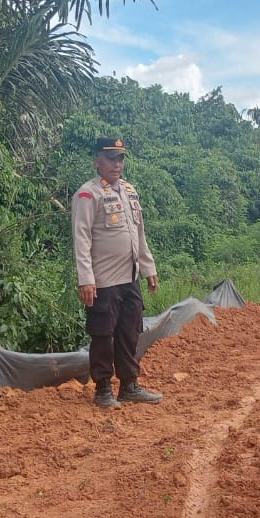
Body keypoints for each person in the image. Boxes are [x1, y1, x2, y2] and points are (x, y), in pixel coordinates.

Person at [72, 137, 162, 408]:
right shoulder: (87, 194)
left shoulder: (129, 191)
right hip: (103, 280)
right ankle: (102, 390)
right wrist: (86, 279)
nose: (117, 164)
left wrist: (148, 267)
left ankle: (129, 386)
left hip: (129, 277)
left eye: (120, 158)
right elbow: (81, 238)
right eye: (111, 158)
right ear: (97, 161)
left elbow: (139, 233)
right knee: (103, 334)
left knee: (129, 332)